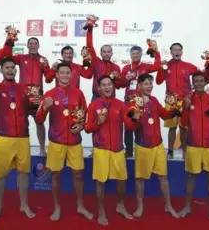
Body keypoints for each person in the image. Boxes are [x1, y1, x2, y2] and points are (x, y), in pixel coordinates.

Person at [35, 63, 93, 221]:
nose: (65, 75)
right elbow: (39, 119)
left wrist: (81, 126)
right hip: (56, 141)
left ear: (72, 75)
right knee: (55, 176)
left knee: (78, 176)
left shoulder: (79, 93)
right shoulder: (49, 94)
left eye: (68, 73)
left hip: (74, 141)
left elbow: (85, 115)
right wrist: (44, 108)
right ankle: (57, 207)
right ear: (57, 75)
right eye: (62, 73)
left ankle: (80, 206)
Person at [0, 58, 35, 221]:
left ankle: (24, 204)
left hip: (23, 138)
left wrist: (37, 103)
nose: (10, 70)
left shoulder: (24, 89)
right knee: (0, 176)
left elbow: (32, 108)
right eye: (7, 68)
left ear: (16, 70)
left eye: (12, 68)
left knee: (24, 173)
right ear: (2, 71)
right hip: (3, 137)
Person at [85, 75, 136, 225]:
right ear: (99, 88)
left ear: (113, 87)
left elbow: (130, 126)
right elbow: (88, 128)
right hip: (101, 149)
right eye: (104, 85)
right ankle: (101, 211)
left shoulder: (121, 105)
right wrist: (98, 123)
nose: (107, 87)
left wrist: (136, 118)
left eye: (109, 84)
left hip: (118, 149)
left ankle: (120, 206)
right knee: (100, 182)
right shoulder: (93, 105)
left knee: (122, 180)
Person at [127, 73, 179, 218]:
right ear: (139, 86)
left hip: (158, 146)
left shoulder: (155, 100)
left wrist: (174, 107)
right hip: (142, 146)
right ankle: (140, 206)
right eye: (145, 84)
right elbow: (131, 126)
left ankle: (168, 205)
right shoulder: (134, 102)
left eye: (150, 83)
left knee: (163, 177)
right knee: (140, 179)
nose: (149, 86)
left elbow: (165, 115)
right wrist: (137, 114)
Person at [178, 72, 209, 220]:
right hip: (193, 145)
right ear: (192, 83)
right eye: (196, 81)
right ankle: (187, 207)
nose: (199, 83)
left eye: (201, 81)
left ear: (205, 82)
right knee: (191, 177)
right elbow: (183, 123)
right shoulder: (188, 99)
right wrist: (186, 107)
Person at [156, 43, 200, 159]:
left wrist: (193, 93)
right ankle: (170, 151)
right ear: (171, 52)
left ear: (182, 52)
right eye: (174, 50)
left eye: (179, 50)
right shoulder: (166, 66)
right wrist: (161, 69)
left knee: (183, 128)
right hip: (171, 102)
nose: (177, 52)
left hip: (185, 101)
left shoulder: (187, 66)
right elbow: (159, 81)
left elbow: (201, 77)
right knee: (172, 128)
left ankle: (185, 150)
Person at [11, 37, 50, 156]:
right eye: (30, 44)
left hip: (37, 96)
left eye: (35, 44)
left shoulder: (43, 60)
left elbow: (48, 78)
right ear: (27, 46)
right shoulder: (21, 58)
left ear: (38, 46)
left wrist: (51, 69)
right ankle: (21, 149)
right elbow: (7, 57)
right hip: (22, 96)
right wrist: (9, 40)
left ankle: (42, 149)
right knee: (21, 122)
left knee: (39, 122)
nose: (33, 46)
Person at [120, 46, 161, 158]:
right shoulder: (125, 68)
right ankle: (128, 150)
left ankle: (141, 149)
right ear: (130, 55)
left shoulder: (145, 67)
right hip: (129, 101)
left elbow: (158, 66)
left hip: (142, 101)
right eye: (133, 53)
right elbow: (120, 84)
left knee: (141, 125)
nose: (135, 55)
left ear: (141, 54)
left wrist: (156, 51)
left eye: (138, 53)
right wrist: (126, 79)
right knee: (128, 126)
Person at [84, 20, 124, 101]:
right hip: (96, 98)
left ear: (112, 53)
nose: (106, 54)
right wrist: (90, 30)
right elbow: (90, 46)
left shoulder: (116, 67)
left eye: (109, 52)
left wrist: (117, 78)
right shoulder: (96, 62)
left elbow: (119, 86)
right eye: (104, 52)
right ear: (101, 53)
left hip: (111, 99)